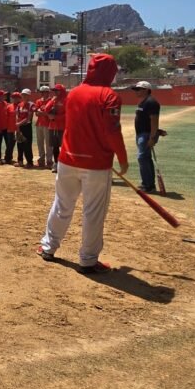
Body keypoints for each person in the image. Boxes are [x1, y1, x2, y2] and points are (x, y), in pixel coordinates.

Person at [36, 54, 128, 274]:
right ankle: (87, 259)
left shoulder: (74, 92)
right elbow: (112, 131)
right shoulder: (110, 96)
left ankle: (48, 247)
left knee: (62, 204)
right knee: (93, 212)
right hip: (96, 163)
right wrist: (123, 159)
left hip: (67, 158)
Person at [131, 81, 160, 193]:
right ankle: (148, 184)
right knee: (145, 159)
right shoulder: (142, 102)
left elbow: (154, 120)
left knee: (142, 158)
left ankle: (148, 185)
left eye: (139, 89)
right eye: (136, 89)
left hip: (146, 135)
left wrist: (152, 137)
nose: (136, 91)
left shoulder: (151, 102)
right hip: (140, 134)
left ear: (146, 90)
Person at [46, 85, 67, 173]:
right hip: (53, 126)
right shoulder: (54, 99)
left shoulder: (66, 100)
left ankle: (64, 165)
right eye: (54, 90)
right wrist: (52, 100)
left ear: (62, 91)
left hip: (62, 127)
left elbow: (67, 114)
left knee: (64, 147)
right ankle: (56, 163)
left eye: (57, 91)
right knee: (55, 146)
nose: (55, 92)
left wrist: (56, 117)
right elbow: (47, 109)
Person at [15, 89, 35, 168]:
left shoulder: (31, 105)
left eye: (26, 95)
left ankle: (30, 162)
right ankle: (20, 161)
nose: (24, 96)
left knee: (27, 145)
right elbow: (17, 115)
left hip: (27, 127)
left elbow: (29, 118)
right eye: (23, 94)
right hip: (19, 126)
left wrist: (19, 123)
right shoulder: (20, 105)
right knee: (19, 143)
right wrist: (17, 125)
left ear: (29, 96)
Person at [34, 86, 53, 169]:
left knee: (49, 143)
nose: (42, 93)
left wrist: (43, 113)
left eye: (44, 92)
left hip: (48, 124)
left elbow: (50, 114)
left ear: (47, 92)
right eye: (41, 92)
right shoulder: (38, 101)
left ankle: (49, 160)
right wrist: (45, 113)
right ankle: (41, 158)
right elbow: (37, 113)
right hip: (39, 124)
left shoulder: (51, 101)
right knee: (40, 142)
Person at [4, 93, 18, 164]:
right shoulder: (9, 106)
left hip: (19, 129)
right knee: (10, 144)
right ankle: (7, 158)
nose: (15, 99)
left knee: (20, 144)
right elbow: (6, 118)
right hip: (10, 128)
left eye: (17, 97)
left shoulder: (21, 105)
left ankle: (20, 159)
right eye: (14, 97)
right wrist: (7, 127)